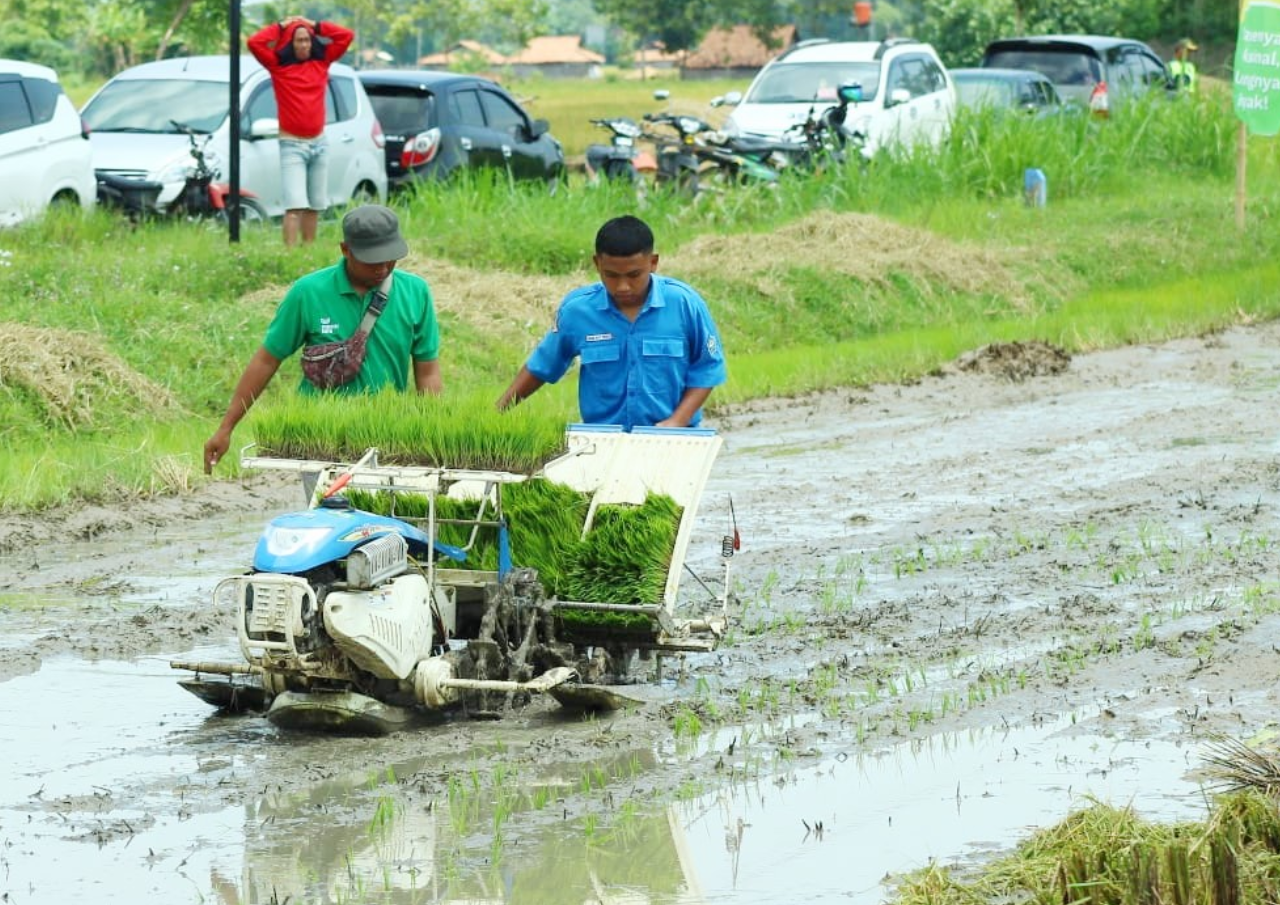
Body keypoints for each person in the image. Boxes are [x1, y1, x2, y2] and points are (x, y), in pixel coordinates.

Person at [203, 204, 442, 473]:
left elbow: (428, 371)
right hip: (320, 443)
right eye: (373, 260)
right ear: (345, 250)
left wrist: (433, 436)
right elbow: (267, 360)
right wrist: (226, 428)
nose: (383, 268)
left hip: (385, 438)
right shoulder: (309, 292)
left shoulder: (416, 292)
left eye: (390, 258)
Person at [497, 215, 726, 430]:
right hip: (602, 442)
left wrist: (676, 421)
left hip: (673, 440)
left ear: (653, 262)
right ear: (597, 264)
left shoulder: (684, 304)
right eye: (612, 276)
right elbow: (541, 366)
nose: (622, 286)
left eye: (634, 275)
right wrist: (495, 414)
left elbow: (708, 366)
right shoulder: (577, 311)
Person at [247, 15, 354, 246]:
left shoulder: (321, 62)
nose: (304, 44)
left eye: (307, 39)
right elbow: (254, 43)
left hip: (319, 143)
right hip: (292, 145)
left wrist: (315, 25)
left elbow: (346, 36)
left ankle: (308, 252)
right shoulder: (277, 65)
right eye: (298, 40)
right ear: (290, 43)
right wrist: (280, 26)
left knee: (316, 204)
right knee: (294, 205)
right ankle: (289, 254)